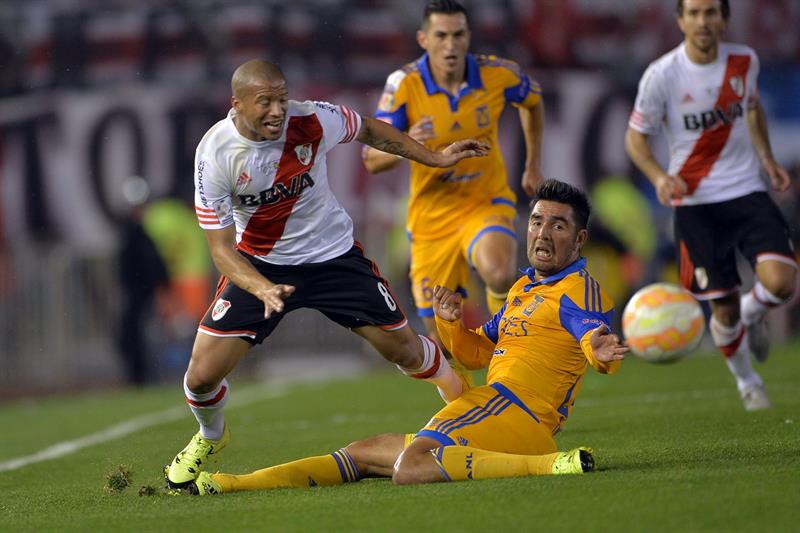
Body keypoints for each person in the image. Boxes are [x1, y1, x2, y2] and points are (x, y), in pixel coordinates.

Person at [182, 180, 629, 496]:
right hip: (493, 409)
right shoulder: (524, 289)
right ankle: (233, 484)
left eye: (558, 226)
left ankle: (550, 465)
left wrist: (599, 348)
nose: (542, 234)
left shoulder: (577, 288)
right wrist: (451, 322)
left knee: (412, 466)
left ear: (580, 239)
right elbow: (477, 353)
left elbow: (591, 332)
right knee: (365, 452)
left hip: (518, 414)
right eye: (535, 222)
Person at [163, 59, 491, 490]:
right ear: (237, 104)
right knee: (201, 376)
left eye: (282, 98)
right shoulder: (215, 155)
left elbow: (370, 129)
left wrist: (430, 156)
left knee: (406, 351)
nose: (278, 110)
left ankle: (465, 405)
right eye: (265, 102)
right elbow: (221, 251)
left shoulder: (312, 118)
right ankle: (211, 435)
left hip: (333, 258)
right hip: (262, 265)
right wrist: (260, 286)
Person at [625, 0, 797, 411]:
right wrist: (659, 177)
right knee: (722, 307)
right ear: (680, 20)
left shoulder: (745, 60)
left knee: (782, 283)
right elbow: (636, 139)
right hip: (695, 203)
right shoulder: (661, 75)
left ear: (724, 19)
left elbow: (752, 109)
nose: (704, 21)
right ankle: (748, 382)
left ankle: (752, 311)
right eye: (695, 13)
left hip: (746, 191)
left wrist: (767, 159)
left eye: (711, 12)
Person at [362, 0, 545, 347]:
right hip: (432, 217)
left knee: (499, 272)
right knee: (446, 347)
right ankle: (464, 394)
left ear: (468, 37)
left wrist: (532, 163)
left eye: (458, 34)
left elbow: (533, 102)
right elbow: (371, 159)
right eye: (441, 35)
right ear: (423, 39)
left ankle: (507, 351)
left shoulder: (497, 74)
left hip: (484, 201)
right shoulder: (404, 84)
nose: (451, 45)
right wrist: (407, 141)